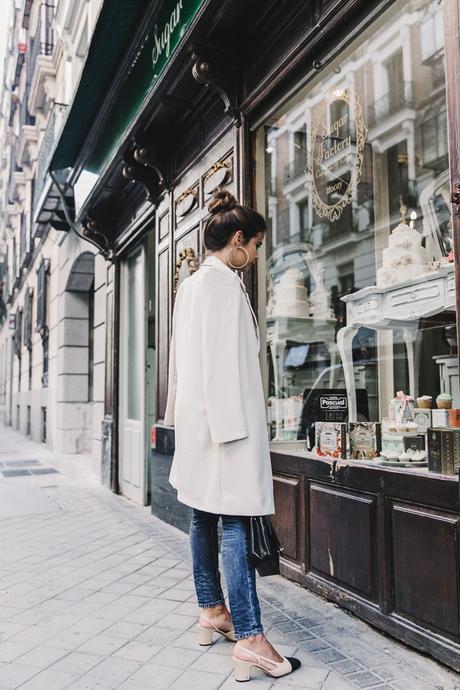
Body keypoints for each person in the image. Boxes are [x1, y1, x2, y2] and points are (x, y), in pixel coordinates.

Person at [164, 189, 301, 681]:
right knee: (236, 525)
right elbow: (223, 366)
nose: (258, 255)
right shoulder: (222, 286)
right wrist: (232, 435)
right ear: (238, 240)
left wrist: (185, 421)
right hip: (228, 430)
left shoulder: (192, 284)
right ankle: (250, 636)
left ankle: (212, 611)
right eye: (257, 245)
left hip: (204, 427)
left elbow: (179, 364)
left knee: (203, 517)